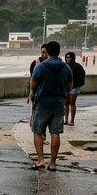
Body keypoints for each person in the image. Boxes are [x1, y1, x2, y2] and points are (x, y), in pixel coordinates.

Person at [30, 41, 73, 171]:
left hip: (43, 102)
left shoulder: (41, 67)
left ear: (47, 52)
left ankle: (40, 160)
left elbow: (33, 85)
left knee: (37, 131)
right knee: (55, 132)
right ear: (59, 52)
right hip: (59, 102)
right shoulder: (66, 68)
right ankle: (53, 163)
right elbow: (70, 86)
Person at [64, 51, 86, 125]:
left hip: (74, 87)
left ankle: (72, 120)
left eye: (69, 57)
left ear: (73, 57)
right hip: (65, 88)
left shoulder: (77, 66)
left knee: (72, 103)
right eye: (66, 57)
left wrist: (78, 84)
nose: (67, 58)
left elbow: (82, 74)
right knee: (65, 104)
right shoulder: (64, 66)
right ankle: (66, 120)